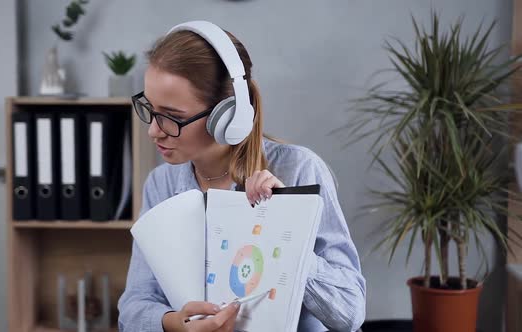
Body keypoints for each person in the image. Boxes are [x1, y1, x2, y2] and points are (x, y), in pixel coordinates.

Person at [118, 21, 366, 332]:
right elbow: (133, 307)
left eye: (171, 117)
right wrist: (173, 324)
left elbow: (350, 313)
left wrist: (285, 229)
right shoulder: (161, 184)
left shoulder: (300, 169)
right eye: (150, 110)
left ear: (228, 115)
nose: (154, 131)